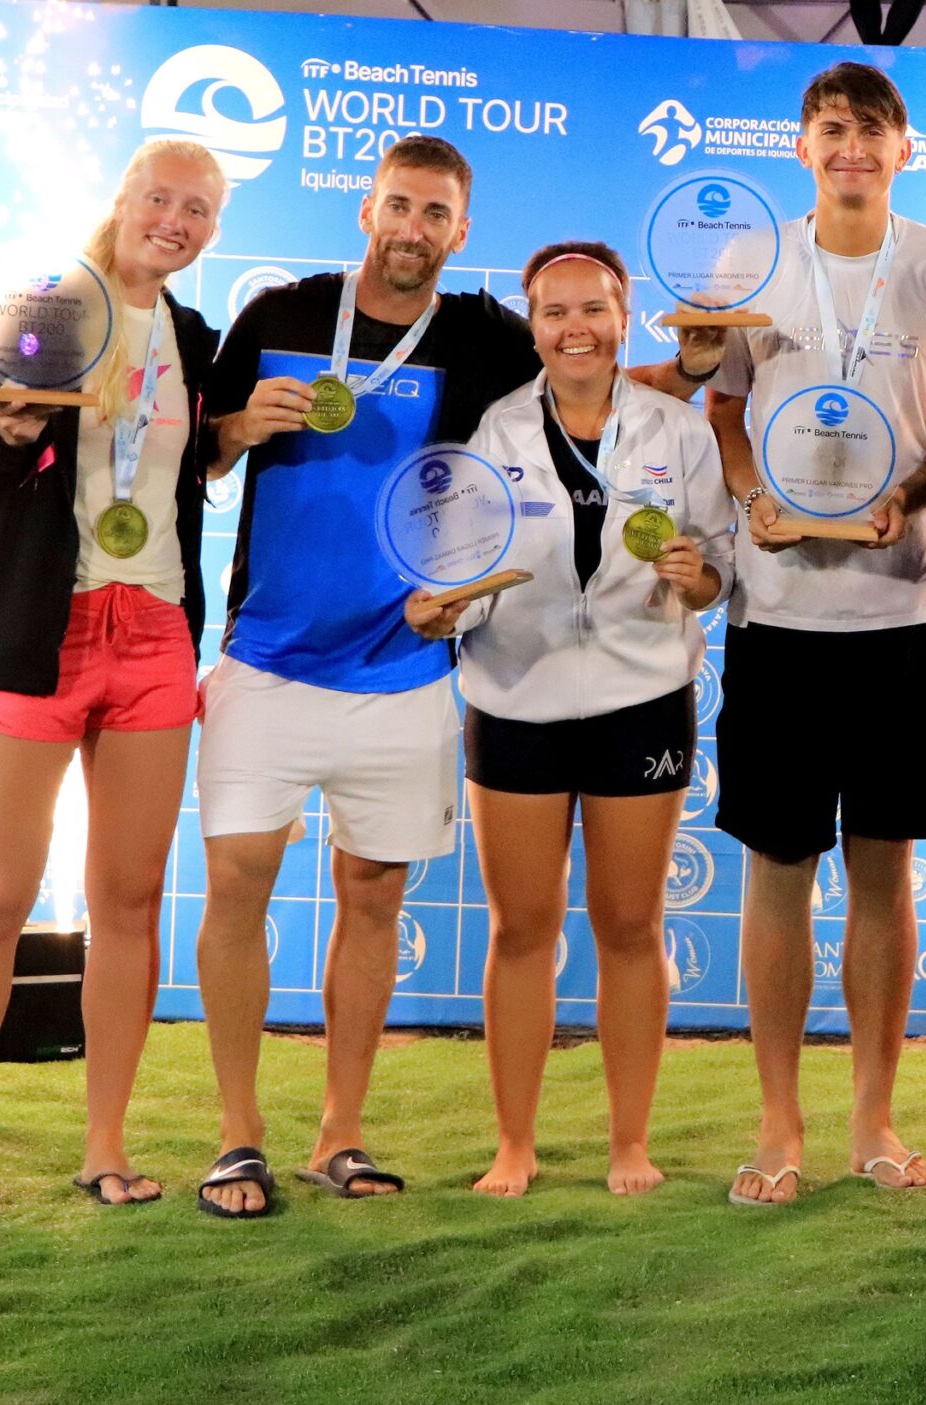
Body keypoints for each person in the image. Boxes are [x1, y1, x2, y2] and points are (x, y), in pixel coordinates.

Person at [191, 135, 539, 1218]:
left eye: (435, 214)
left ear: (461, 231)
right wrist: (240, 426)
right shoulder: (281, 316)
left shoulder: (485, 335)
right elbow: (189, 449)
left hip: (402, 668)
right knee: (239, 882)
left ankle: (338, 1132)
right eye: (398, 205)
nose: (412, 229)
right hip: (269, 659)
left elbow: (582, 395)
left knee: (371, 897)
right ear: (365, 209)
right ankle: (237, 1137)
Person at [0, 139, 230, 1216]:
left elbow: (198, 453)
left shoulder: (198, 339)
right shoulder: (46, 307)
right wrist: (7, 427)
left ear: (209, 230)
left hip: (152, 637)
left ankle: (105, 1146)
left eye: (197, 209)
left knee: (129, 900)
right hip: (28, 636)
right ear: (124, 201)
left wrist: (231, 432)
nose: (174, 220)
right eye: (159, 198)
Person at [703, 62, 926, 1207]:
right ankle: (779, 1124)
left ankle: (873, 1117)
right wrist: (750, 502)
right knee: (778, 871)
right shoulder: (751, 263)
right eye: (832, 130)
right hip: (776, 611)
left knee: (885, 866)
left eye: (872, 132)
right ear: (802, 145)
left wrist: (911, 504)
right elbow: (722, 408)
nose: (852, 149)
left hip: (900, 610)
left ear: (904, 149)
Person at [403, 241, 733, 1198]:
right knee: (522, 929)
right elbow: (456, 568)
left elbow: (713, 569)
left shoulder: (678, 429)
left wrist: (696, 577)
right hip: (515, 697)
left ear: (625, 317)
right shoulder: (493, 429)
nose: (575, 327)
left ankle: (630, 1141)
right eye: (554, 312)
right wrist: (444, 605)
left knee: (630, 925)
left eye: (594, 308)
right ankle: (516, 1143)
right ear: (533, 322)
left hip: (641, 698)